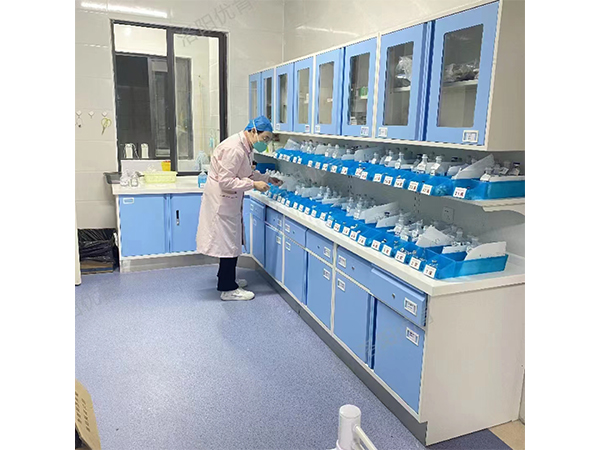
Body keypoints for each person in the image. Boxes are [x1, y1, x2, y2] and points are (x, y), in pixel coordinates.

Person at [196, 116, 282, 301]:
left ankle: (227, 279)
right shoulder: (234, 149)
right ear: (253, 131)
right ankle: (228, 289)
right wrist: (253, 184)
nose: (265, 143)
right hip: (222, 202)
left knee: (230, 243)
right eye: (265, 138)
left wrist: (266, 179)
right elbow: (226, 181)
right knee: (229, 245)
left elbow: (246, 173)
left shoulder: (246, 147)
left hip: (229, 201)